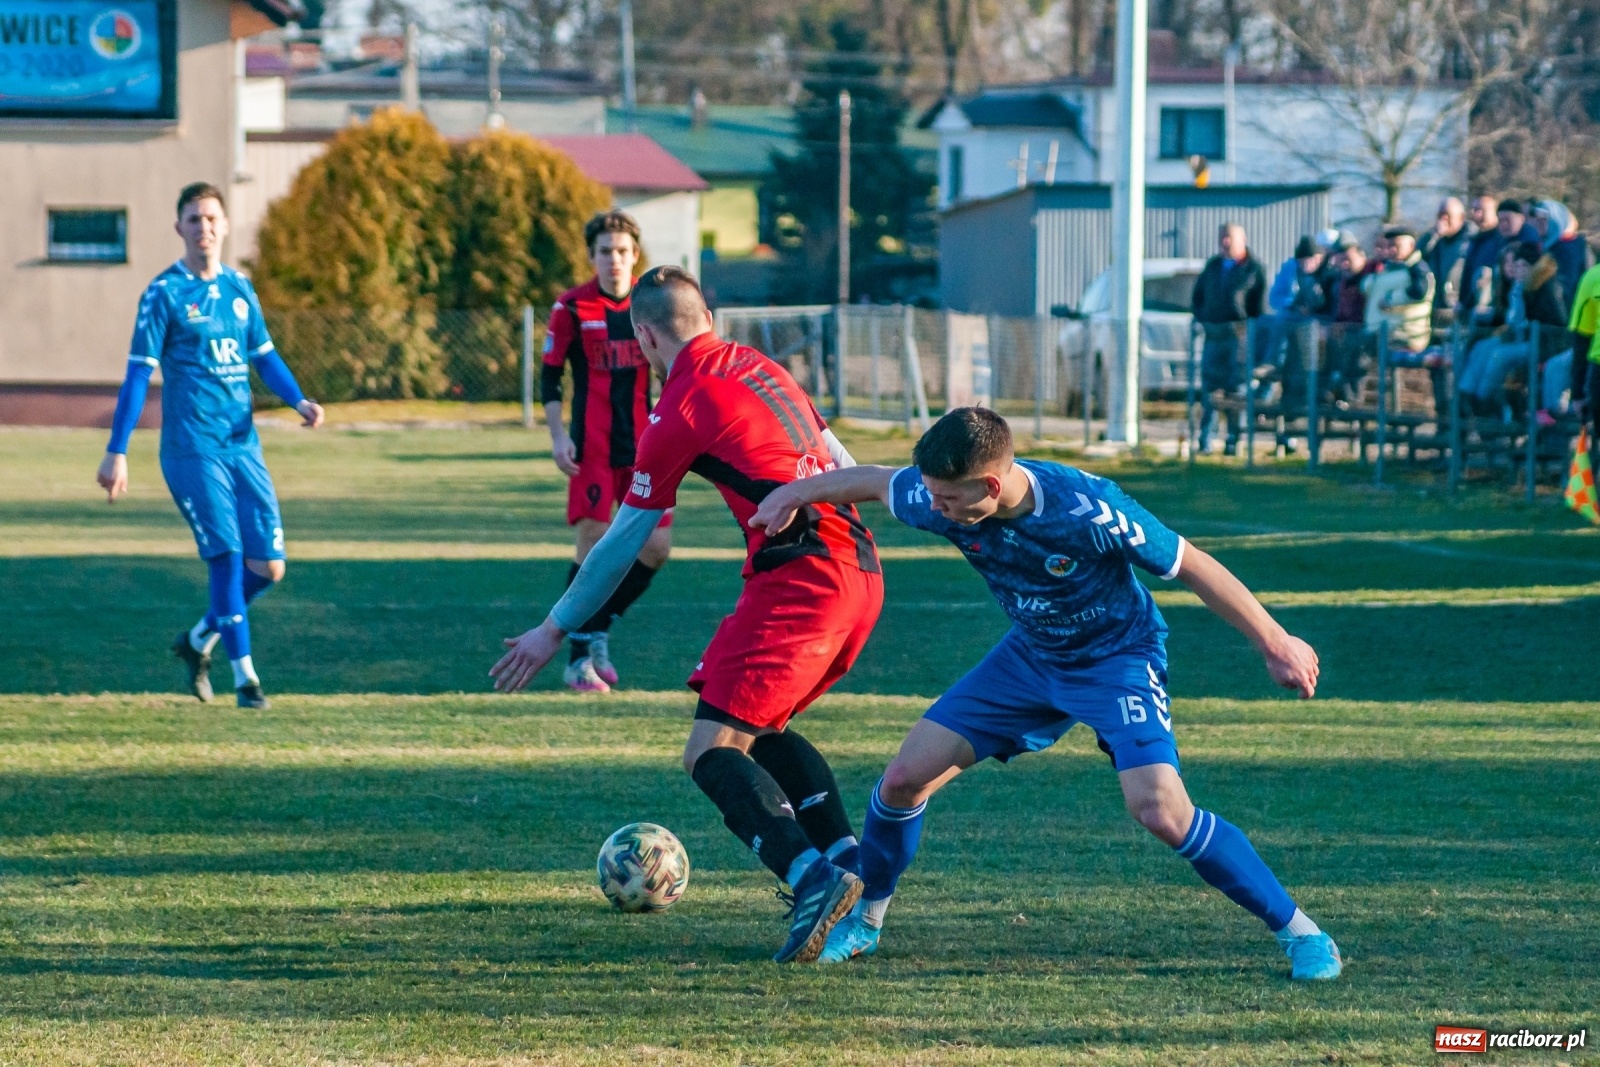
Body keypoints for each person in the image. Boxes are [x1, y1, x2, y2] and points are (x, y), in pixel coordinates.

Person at [747, 408, 1341, 981]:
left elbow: (1192, 564)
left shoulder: (1089, 508)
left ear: (990, 484)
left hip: (1116, 661)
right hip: (1029, 659)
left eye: (947, 498)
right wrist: (792, 495)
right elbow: (877, 481)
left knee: (1161, 810)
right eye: (931, 493)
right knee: (903, 780)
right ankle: (867, 919)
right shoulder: (937, 495)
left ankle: (1303, 933)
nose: (935, 507)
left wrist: (1275, 641)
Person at [493, 266, 884, 964]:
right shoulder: (762, 366)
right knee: (761, 730)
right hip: (860, 570)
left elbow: (622, 541)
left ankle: (811, 876)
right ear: (708, 316)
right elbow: (841, 460)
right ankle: (851, 864)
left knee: (709, 751)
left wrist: (553, 630)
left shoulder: (681, 404)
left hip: (800, 580)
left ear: (644, 337)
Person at [95, 182, 325, 710]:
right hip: (192, 449)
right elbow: (138, 375)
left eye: (212, 218)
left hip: (243, 446)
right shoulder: (164, 294)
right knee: (227, 556)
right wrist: (117, 449)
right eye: (194, 219)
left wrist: (298, 400)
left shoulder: (241, 289)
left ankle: (198, 640)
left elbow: (264, 357)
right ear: (179, 228)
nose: (204, 228)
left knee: (268, 567)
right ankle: (247, 682)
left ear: (225, 225)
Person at [541, 210, 673, 693]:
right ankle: (578, 661)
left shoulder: (651, 304)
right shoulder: (572, 307)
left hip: (644, 448)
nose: (613, 259)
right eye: (604, 251)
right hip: (592, 447)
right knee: (594, 543)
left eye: (621, 251)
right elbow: (550, 376)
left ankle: (597, 626)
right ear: (591, 256)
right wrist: (558, 436)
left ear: (635, 255)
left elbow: (675, 369)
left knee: (656, 548)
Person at [1458, 241, 1569, 413]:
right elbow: (1513, 319)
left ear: (1533, 267)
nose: (1519, 270)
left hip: (1545, 345)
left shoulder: (1545, 286)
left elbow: (1556, 321)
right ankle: (1466, 394)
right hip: (1523, 337)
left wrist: (1524, 323)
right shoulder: (1521, 286)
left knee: (1499, 355)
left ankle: (1485, 401)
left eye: (1524, 265)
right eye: (1517, 265)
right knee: (1482, 347)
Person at [1190, 222, 1266, 455]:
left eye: (1230, 237)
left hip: (1238, 337)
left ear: (1242, 240)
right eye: (1223, 237)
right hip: (1214, 335)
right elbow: (1198, 297)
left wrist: (1248, 330)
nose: (1225, 242)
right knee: (1210, 388)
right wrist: (1203, 318)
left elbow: (1258, 307)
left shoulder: (1253, 269)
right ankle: (1205, 439)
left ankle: (1234, 440)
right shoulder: (1213, 266)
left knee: (1236, 388)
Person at [1363, 227, 1434, 355]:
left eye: (1397, 246)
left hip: (1405, 336)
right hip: (1383, 333)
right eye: (1390, 246)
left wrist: (1389, 299)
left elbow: (1419, 292)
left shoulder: (1417, 268)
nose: (1392, 250)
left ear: (1411, 245)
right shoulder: (1387, 268)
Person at [1418, 197, 1475, 332]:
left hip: (1457, 310)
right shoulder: (1432, 239)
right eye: (1440, 215)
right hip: (1434, 309)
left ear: (1461, 218)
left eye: (1448, 215)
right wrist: (1432, 236)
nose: (1443, 220)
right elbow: (1417, 258)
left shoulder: (1471, 241)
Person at [1531, 200, 1594, 304]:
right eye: (1537, 220)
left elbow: (1566, 288)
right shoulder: (1549, 246)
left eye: (1544, 220)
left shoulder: (1568, 248)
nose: (1539, 224)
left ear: (1556, 220)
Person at [1459, 196, 1507, 326]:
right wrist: (1462, 302)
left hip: (1491, 310)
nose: (1476, 214)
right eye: (1474, 210)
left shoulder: (1501, 240)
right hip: (1471, 307)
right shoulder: (1475, 240)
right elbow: (1467, 273)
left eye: (1481, 210)